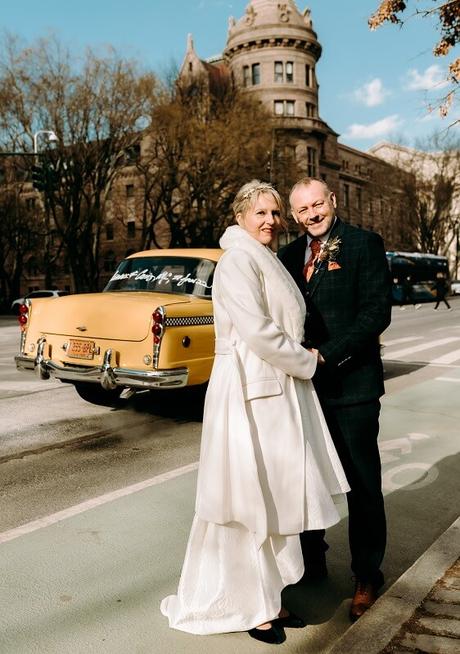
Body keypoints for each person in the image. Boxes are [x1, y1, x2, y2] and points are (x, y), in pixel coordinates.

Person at [161, 180, 350, 645]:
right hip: (248, 390)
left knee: (267, 495)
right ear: (241, 216)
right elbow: (259, 331)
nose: (269, 220)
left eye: (273, 212)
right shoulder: (238, 261)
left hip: (270, 388)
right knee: (246, 497)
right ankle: (249, 606)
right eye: (260, 212)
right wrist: (306, 361)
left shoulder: (258, 256)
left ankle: (266, 597)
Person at [279, 177, 392, 622]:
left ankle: (367, 573)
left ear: (333, 201)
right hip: (304, 392)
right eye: (303, 209)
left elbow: (375, 312)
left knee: (363, 486)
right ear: (295, 216)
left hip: (353, 388)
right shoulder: (287, 257)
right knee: (307, 482)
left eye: (318, 204)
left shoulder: (364, 244)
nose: (313, 214)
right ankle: (313, 561)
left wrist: (327, 355)